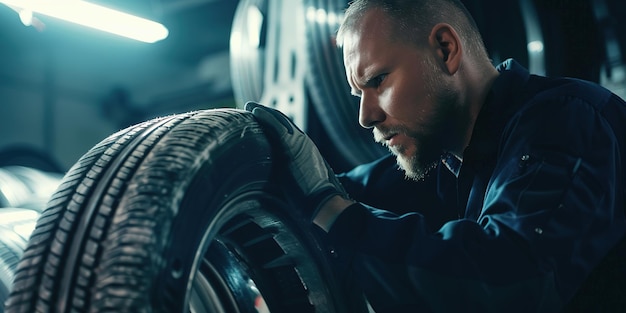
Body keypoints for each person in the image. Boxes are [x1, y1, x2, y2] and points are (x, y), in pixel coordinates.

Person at [245, 0, 626, 311]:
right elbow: (338, 187)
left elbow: (512, 281)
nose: (366, 116)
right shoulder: (450, 158)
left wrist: (330, 211)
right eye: (358, 93)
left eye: (377, 81)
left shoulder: (567, 120)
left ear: (445, 49)